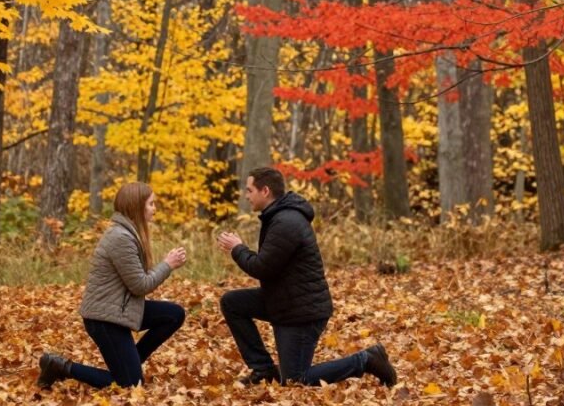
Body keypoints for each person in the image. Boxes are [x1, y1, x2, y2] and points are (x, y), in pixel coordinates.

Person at [217, 167, 397, 387]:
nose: (246, 195)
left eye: (249, 190)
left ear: (265, 191)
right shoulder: (278, 217)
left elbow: (262, 268)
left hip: (302, 312)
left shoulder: (286, 222)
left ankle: (366, 360)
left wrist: (237, 248)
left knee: (295, 379)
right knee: (232, 303)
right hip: (284, 301)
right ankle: (263, 369)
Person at [37, 182, 188, 389]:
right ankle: (60, 366)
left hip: (120, 310)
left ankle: (129, 362)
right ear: (136, 206)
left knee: (174, 314)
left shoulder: (129, 233)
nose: (155, 209)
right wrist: (168, 265)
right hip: (104, 319)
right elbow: (140, 285)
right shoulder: (121, 238)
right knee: (131, 385)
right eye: (151, 204)